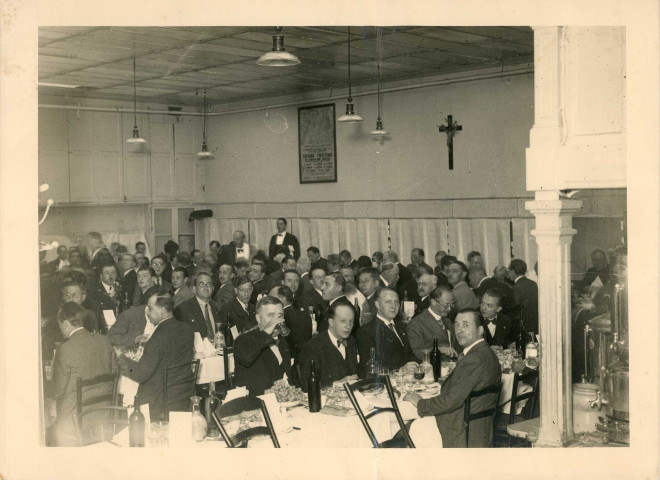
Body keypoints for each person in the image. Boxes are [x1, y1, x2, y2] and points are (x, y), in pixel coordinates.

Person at [404, 309, 501, 448]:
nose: (459, 330)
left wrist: (421, 403)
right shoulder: (484, 352)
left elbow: (450, 401)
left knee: (410, 425)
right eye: (456, 325)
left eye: (465, 325)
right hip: (479, 425)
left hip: (461, 428)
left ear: (480, 330)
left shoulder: (474, 358)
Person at [47, 302, 117, 446]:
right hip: (104, 416)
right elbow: (115, 373)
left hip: (74, 421)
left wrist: (50, 379)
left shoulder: (64, 349)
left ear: (65, 323)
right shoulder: (105, 341)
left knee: (43, 416)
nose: (60, 329)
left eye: (60, 324)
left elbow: (58, 391)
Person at [118, 292, 194, 421]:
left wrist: (121, 358)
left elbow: (139, 374)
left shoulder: (158, 337)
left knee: (123, 393)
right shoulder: (187, 329)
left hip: (158, 398)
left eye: (150, 308)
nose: (146, 312)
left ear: (163, 311)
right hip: (182, 393)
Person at [234, 296, 292, 396]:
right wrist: (266, 333)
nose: (277, 320)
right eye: (271, 315)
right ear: (258, 318)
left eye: (280, 316)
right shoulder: (244, 339)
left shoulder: (282, 342)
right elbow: (246, 358)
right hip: (253, 402)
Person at [298, 303, 359, 392]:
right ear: (331, 322)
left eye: (351, 321)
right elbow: (307, 386)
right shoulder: (313, 346)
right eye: (343, 321)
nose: (348, 326)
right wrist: (338, 384)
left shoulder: (351, 341)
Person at [356, 288, 415, 377]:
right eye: (388, 302)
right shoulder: (366, 331)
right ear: (377, 304)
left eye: (396, 302)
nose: (393, 306)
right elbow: (370, 366)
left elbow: (409, 353)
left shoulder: (401, 326)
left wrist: (416, 364)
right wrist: (400, 370)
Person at [407, 286, 459, 362]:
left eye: (451, 305)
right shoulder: (416, 324)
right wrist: (438, 349)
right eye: (446, 305)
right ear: (433, 302)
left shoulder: (447, 322)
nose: (449, 309)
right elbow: (418, 353)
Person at [269, 285, 312, 370]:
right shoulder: (304, 314)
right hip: (305, 360)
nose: (269, 301)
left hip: (288, 362)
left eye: (271, 298)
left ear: (282, 298)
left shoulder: (281, 318)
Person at [174, 271, 222, 340]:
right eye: (201, 285)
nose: (206, 288)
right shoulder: (183, 309)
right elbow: (180, 338)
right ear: (194, 289)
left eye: (209, 285)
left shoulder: (217, 308)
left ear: (213, 288)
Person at [83, 263, 120, 334]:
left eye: (113, 273)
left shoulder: (121, 290)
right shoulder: (93, 292)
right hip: (102, 330)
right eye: (107, 273)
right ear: (101, 276)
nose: (110, 276)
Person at [508, 259, 539, 334]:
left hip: (524, 326)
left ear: (512, 271)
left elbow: (515, 309)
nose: (508, 273)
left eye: (509, 270)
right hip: (535, 322)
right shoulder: (533, 284)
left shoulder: (516, 287)